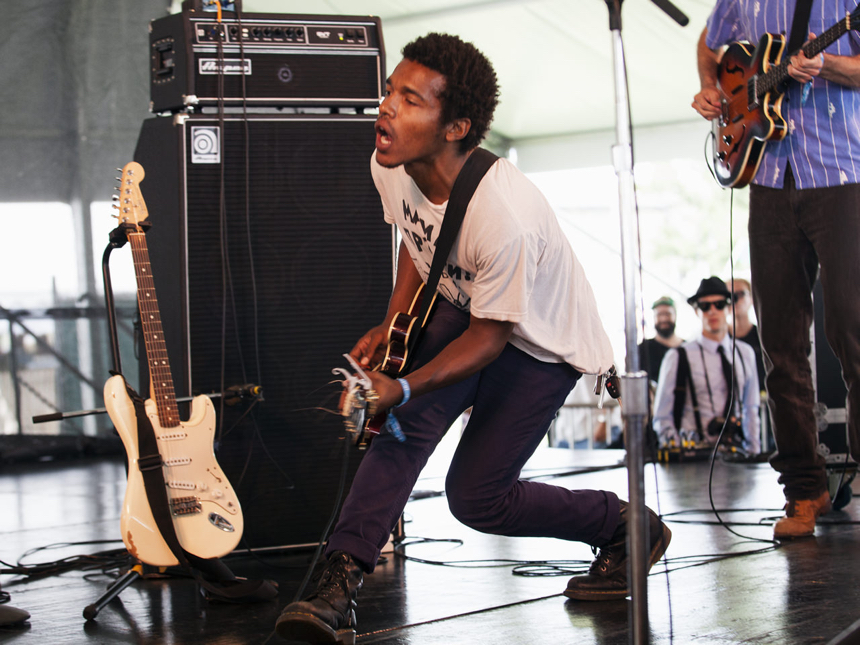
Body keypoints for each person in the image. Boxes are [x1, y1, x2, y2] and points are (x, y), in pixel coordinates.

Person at [275, 33, 672, 643]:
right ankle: (338, 581)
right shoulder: (391, 162)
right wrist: (394, 323)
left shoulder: (502, 219)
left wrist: (402, 384)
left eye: (409, 100)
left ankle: (625, 525)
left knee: (477, 499)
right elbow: (416, 238)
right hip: (467, 308)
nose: (386, 108)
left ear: (456, 126)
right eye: (389, 92)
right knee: (400, 438)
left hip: (538, 341)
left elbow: (490, 340)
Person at [692, 0, 860, 538]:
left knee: (853, 331)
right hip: (767, 176)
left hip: (842, 174)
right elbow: (708, 45)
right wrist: (716, 91)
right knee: (780, 345)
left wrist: (826, 65)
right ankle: (804, 491)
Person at [652, 277, 761, 455]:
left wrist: (753, 453)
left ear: (728, 308)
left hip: (736, 454)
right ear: (697, 311)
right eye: (705, 306)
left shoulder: (744, 353)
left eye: (719, 304)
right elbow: (662, 416)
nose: (712, 311)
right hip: (693, 457)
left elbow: (751, 408)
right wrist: (678, 450)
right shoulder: (678, 356)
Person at [638, 296, 684, 384]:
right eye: (659, 314)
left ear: (675, 315)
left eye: (667, 314)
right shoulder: (642, 349)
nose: (663, 319)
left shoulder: (687, 349)